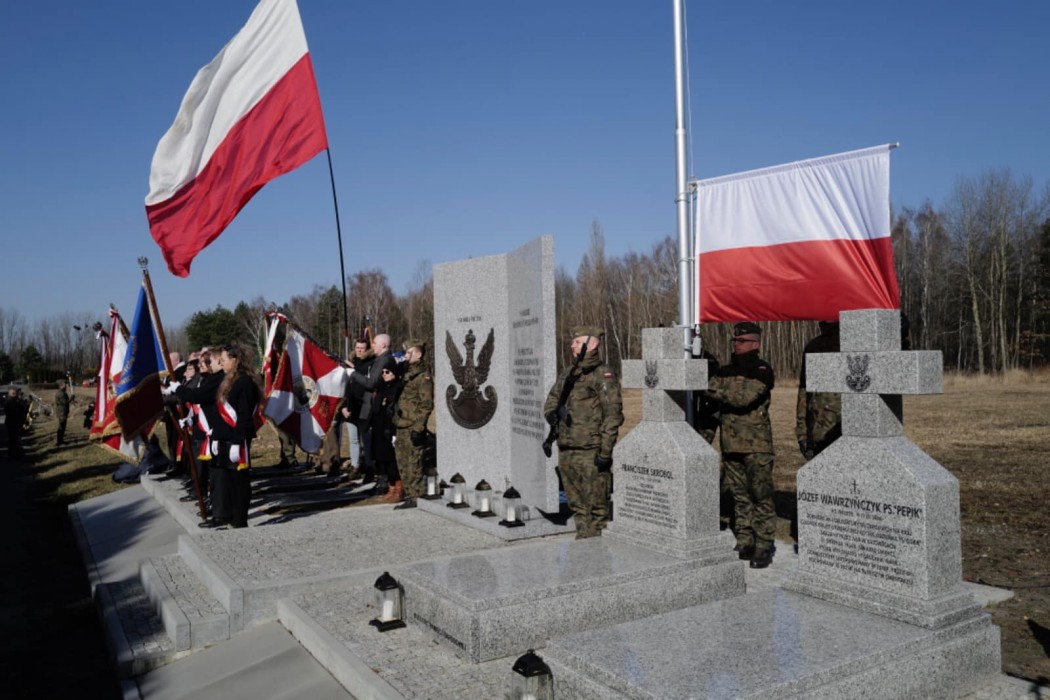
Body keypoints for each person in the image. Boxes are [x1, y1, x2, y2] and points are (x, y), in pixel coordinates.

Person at [705, 321, 776, 569]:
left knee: (761, 496)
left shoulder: (761, 370)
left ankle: (764, 544)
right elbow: (716, 398)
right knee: (740, 496)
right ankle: (745, 540)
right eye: (735, 340)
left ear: (755, 343)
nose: (736, 344)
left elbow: (742, 399)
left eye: (742, 341)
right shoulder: (725, 371)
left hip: (756, 446)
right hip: (731, 444)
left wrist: (707, 386)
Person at [542, 326, 624, 539]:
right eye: (573, 342)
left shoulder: (602, 374)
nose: (572, 345)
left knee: (596, 509)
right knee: (577, 506)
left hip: (590, 451)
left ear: (592, 344)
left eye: (577, 342)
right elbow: (553, 398)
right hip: (567, 448)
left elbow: (612, 415)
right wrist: (550, 414)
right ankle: (583, 544)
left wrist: (605, 452)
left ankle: (597, 550)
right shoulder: (568, 373)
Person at [208, 343, 261, 528]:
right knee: (228, 481)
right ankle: (230, 517)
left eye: (223, 360)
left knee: (239, 482)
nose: (221, 363)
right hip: (224, 438)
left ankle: (240, 521)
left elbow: (244, 415)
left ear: (235, 359)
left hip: (237, 439)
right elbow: (219, 413)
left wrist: (238, 441)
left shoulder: (245, 382)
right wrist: (216, 436)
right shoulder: (228, 381)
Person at [345, 333, 394, 483]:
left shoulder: (383, 360)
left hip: (375, 407)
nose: (373, 346)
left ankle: (378, 474)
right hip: (361, 406)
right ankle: (371, 472)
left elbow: (371, 383)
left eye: (375, 343)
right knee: (358, 439)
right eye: (357, 347)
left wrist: (353, 373)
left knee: (372, 441)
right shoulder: (379, 360)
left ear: (383, 345)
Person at [391, 339, 433, 509]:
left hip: (412, 425)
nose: (406, 356)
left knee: (413, 462)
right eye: (406, 353)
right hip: (402, 424)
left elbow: (426, 404)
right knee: (402, 461)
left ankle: (416, 496)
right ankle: (410, 494)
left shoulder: (423, 377)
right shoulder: (407, 373)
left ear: (419, 354)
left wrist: (418, 427)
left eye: (409, 353)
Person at [795, 321, 841, 461]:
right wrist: (802, 433)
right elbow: (804, 391)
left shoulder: (856, 345)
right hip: (819, 432)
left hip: (848, 430)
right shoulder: (814, 347)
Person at [342, 339, 375, 474]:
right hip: (351, 405)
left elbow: (369, 383)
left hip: (365, 406)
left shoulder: (371, 363)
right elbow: (344, 387)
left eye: (362, 348)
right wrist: (344, 406)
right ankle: (355, 465)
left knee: (366, 438)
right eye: (357, 347)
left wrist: (354, 369)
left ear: (367, 349)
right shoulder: (351, 362)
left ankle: (369, 465)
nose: (359, 350)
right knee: (353, 439)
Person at [372, 362, 403, 503]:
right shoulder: (382, 387)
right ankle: (391, 488)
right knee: (383, 459)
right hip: (380, 426)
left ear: (394, 373)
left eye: (387, 372)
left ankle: (399, 488)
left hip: (391, 426)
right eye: (383, 372)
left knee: (392, 460)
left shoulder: (398, 387)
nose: (384, 374)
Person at [4, 388, 29, 458]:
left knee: (15, 439)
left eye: (15, 393)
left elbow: (22, 410)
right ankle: (13, 454)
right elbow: (17, 411)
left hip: (15, 423)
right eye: (13, 393)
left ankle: (15, 453)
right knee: (13, 439)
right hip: (13, 423)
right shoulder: (10, 402)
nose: (15, 395)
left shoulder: (15, 401)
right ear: (10, 394)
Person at [55, 379, 71, 446]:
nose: (66, 387)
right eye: (64, 386)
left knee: (62, 426)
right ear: (61, 386)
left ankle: (60, 440)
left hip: (61, 411)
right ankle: (59, 441)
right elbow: (65, 402)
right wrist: (71, 399)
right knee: (62, 426)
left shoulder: (61, 392)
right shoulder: (61, 394)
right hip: (62, 412)